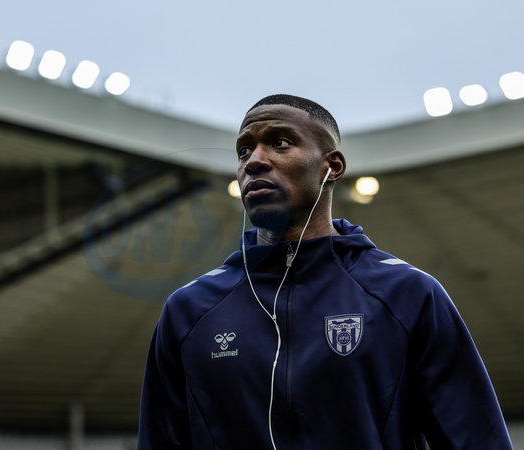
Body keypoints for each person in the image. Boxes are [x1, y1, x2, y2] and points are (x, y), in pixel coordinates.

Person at [137, 94, 513, 449]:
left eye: (280, 143)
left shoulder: (406, 294)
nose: (253, 161)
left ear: (331, 167)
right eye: (244, 150)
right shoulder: (189, 310)